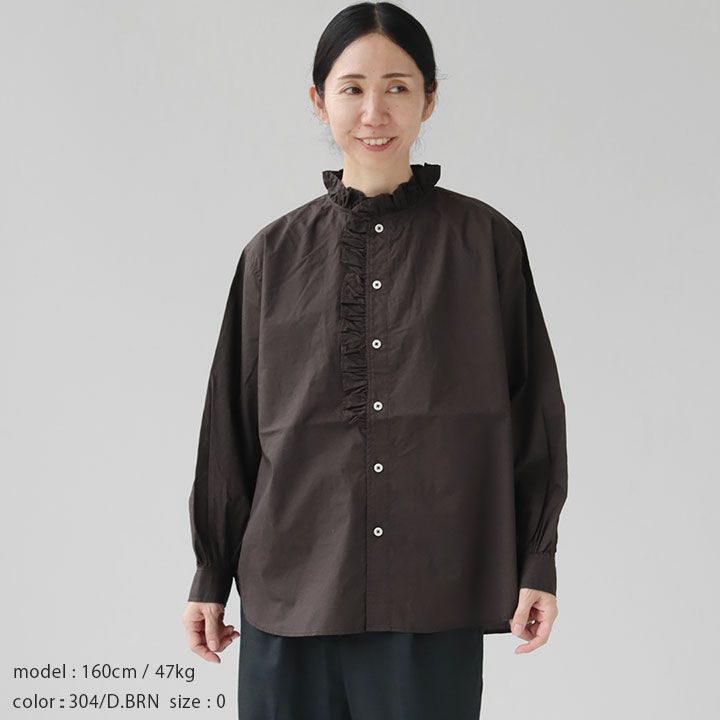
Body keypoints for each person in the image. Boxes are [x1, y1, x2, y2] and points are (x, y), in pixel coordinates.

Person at [181, 3, 568, 718]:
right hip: (290, 596)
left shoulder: (486, 244)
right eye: (352, 88)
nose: (374, 112)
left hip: (433, 595)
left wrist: (537, 558)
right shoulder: (272, 255)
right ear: (318, 100)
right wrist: (211, 572)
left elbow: (532, 410)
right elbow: (228, 428)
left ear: (429, 99)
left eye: (397, 87)